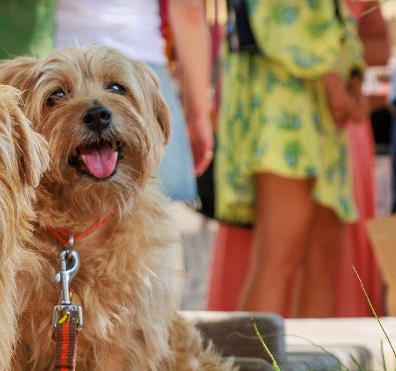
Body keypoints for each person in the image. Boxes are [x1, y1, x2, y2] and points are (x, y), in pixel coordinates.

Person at [211, 0, 365, 318]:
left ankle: (313, 366)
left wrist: (354, 77)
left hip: (322, 103)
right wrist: (337, 84)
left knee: (325, 253)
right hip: (280, 101)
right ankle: (252, 368)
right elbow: (277, 17)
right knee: (279, 255)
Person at [55, 0, 214, 200]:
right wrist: (199, 114)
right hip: (138, 63)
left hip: (53, 65)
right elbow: (189, 12)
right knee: (165, 206)